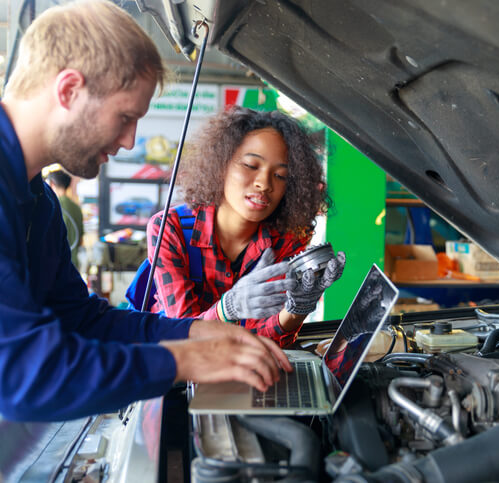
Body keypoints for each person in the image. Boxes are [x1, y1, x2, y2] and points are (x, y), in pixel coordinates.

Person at [0, 0, 292, 423]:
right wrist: (183, 360)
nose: (130, 142)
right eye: (124, 117)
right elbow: (21, 377)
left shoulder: (37, 202)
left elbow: (81, 320)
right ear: (68, 90)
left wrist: (196, 331)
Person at [146, 107, 345, 347]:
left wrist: (296, 310)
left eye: (281, 175)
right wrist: (226, 308)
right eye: (251, 165)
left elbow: (264, 342)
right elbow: (182, 336)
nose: (264, 183)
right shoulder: (170, 228)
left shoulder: (287, 240)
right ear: (221, 165)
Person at [46, 169, 84, 268]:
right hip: (73, 264)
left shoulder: (52, 205)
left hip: (56, 264)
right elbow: (80, 238)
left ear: (52, 184)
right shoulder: (76, 207)